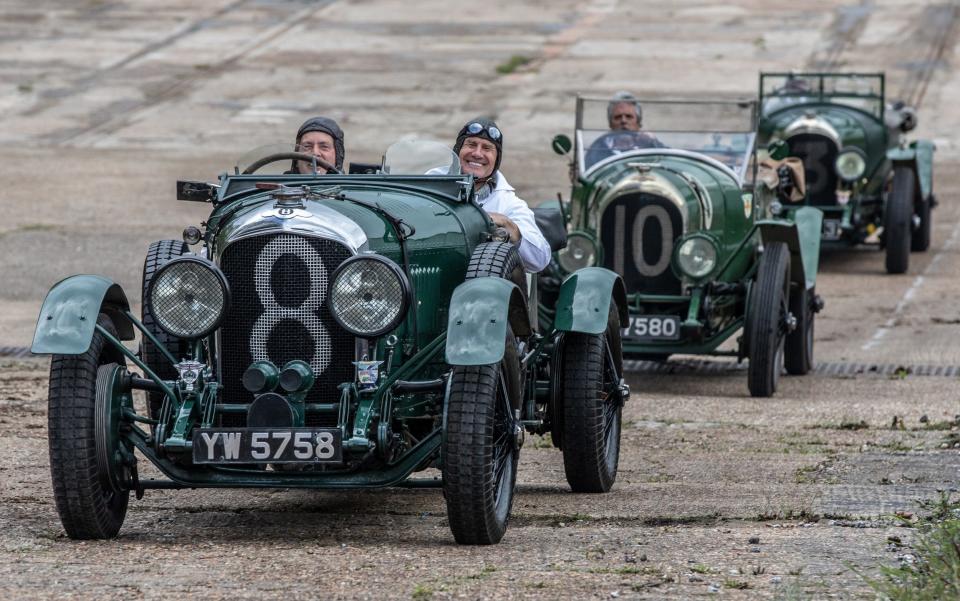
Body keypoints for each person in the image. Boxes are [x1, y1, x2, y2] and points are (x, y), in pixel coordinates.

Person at [453, 117, 551, 273]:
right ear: (458, 149)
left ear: (496, 159)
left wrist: (508, 225)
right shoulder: (430, 181)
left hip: (481, 287)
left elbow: (540, 260)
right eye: (471, 144)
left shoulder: (510, 204)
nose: (477, 153)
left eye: (487, 148)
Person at [585, 91, 664, 168]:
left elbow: (671, 162)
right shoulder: (599, 147)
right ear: (610, 124)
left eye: (629, 116)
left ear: (638, 122)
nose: (623, 121)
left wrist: (652, 141)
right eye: (618, 117)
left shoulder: (650, 144)